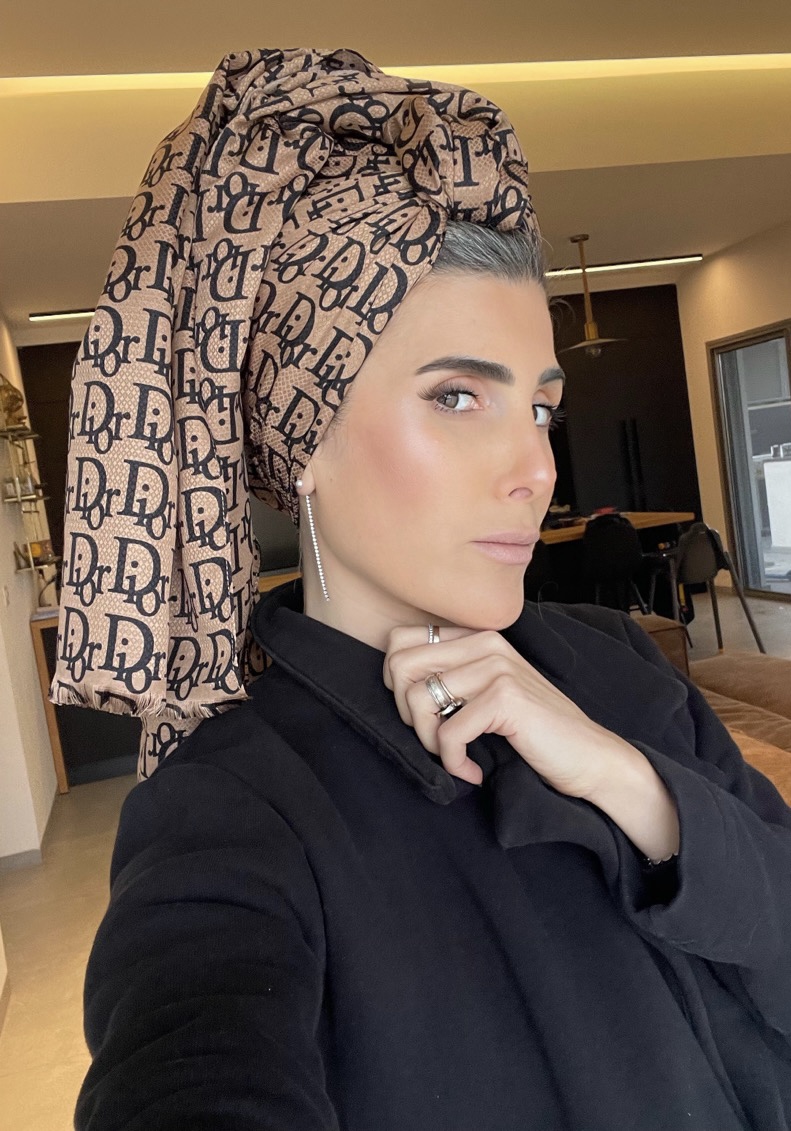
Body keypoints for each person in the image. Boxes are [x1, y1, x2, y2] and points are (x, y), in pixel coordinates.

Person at [66, 49, 791, 1131]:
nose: (536, 466)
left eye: (538, 407)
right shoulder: (229, 809)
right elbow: (189, 1054)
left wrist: (632, 786)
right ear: (300, 442)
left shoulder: (614, 659)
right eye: (456, 396)